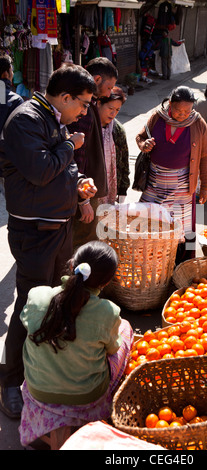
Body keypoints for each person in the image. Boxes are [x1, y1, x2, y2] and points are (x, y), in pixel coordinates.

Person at [0, 63, 97, 419]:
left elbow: (57, 169)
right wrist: (70, 146)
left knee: (52, 302)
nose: (85, 111)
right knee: (31, 305)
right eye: (84, 103)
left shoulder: (52, 118)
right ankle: (9, 381)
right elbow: (41, 170)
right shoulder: (26, 119)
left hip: (57, 227)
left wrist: (78, 185)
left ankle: (36, 372)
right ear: (66, 96)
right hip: (34, 231)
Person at [18, 241, 133, 447]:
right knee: (125, 329)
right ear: (105, 283)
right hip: (86, 396)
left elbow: (28, 323)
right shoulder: (108, 311)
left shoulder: (38, 295)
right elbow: (113, 349)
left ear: (72, 266)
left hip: (39, 388)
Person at [136, 86, 207, 261]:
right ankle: (150, 261)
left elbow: (206, 156)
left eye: (188, 110)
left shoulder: (198, 123)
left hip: (183, 186)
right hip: (155, 182)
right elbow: (140, 137)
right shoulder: (157, 117)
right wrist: (144, 145)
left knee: (182, 230)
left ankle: (180, 264)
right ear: (170, 104)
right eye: (179, 110)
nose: (183, 114)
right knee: (148, 222)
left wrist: (205, 186)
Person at [68, 57, 118, 249]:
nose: (110, 92)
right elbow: (77, 158)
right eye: (109, 87)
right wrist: (84, 200)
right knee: (82, 243)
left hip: (87, 187)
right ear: (97, 79)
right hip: (83, 189)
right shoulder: (82, 110)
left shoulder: (89, 105)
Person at [97, 86, 130, 206]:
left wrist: (123, 189)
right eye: (110, 108)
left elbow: (124, 162)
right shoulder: (88, 127)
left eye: (117, 110)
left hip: (110, 190)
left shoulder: (117, 130)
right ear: (99, 104)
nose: (113, 113)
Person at [0, 54, 23, 192]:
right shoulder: (14, 100)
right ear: (6, 73)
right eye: (11, 70)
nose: (13, 73)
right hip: (5, 162)